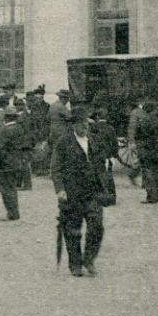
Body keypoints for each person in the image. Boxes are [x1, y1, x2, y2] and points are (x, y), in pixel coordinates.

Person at [52, 109, 106, 277]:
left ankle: (89, 259)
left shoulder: (94, 141)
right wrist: (60, 190)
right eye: (81, 124)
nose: (84, 127)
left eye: (86, 124)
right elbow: (56, 168)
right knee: (72, 230)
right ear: (73, 125)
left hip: (92, 192)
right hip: (72, 192)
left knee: (97, 226)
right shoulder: (64, 142)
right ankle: (75, 264)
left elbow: (101, 165)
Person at [0, 103, 31, 219]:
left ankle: (12, 213)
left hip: (6, 163)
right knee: (12, 188)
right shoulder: (19, 128)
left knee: (6, 189)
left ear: (6, 117)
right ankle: (14, 212)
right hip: (17, 161)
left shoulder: (6, 130)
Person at [134, 100, 158, 205]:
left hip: (146, 150)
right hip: (157, 150)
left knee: (147, 173)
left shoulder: (142, 122)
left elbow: (137, 137)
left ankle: (151, 196)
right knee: (157, 172)